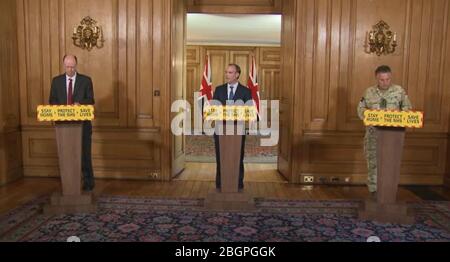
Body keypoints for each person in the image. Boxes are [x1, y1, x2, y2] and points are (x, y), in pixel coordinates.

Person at [357, 65, 412, 195]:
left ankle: (389, 192)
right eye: (382, 79)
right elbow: (360, 110)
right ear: (377, 78)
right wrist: (371, 115)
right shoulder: (369, 92)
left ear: (390, 77)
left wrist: (396, 116)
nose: (385, 82)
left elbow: (408, 109)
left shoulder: (399, 91)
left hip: (393, 136)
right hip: (373, 135)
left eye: (387, 79)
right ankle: (374, 192)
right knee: (373, 164)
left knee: (391, 164)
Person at [49, 55, 95, 191]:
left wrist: (79, 104)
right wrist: (63, 109)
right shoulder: (56, 81)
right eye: (68, 66)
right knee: (66, 155)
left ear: (76, 65)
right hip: (63, 126)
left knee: (84, 154)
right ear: (64, 65)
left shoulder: (86, 80)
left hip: (82, 126)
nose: (70, 69)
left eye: (73, 66)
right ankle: (68, 184)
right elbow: (52, 100)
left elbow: (91, 100)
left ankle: (88, 182)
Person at [213, 64, 252, 190]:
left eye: (230, 72)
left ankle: (238, 183)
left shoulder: (245, 91)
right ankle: (220, 183)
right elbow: (214, 110)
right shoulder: (219, 89)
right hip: (221, 129)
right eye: (226, 72)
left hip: (237, 130)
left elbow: (249, 112)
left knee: (238, 157)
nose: (227, 75)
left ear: (237, 74)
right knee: (221, 157)